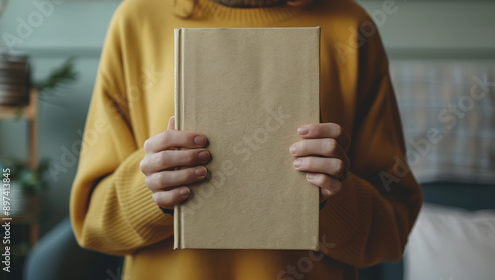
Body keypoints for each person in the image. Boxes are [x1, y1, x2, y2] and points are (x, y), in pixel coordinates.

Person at [70, 0, 422, 279]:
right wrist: (150, 192)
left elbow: (393, 232)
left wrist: (335, 199)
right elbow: (91, 224)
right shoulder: (137, 19)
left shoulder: (350, 25)